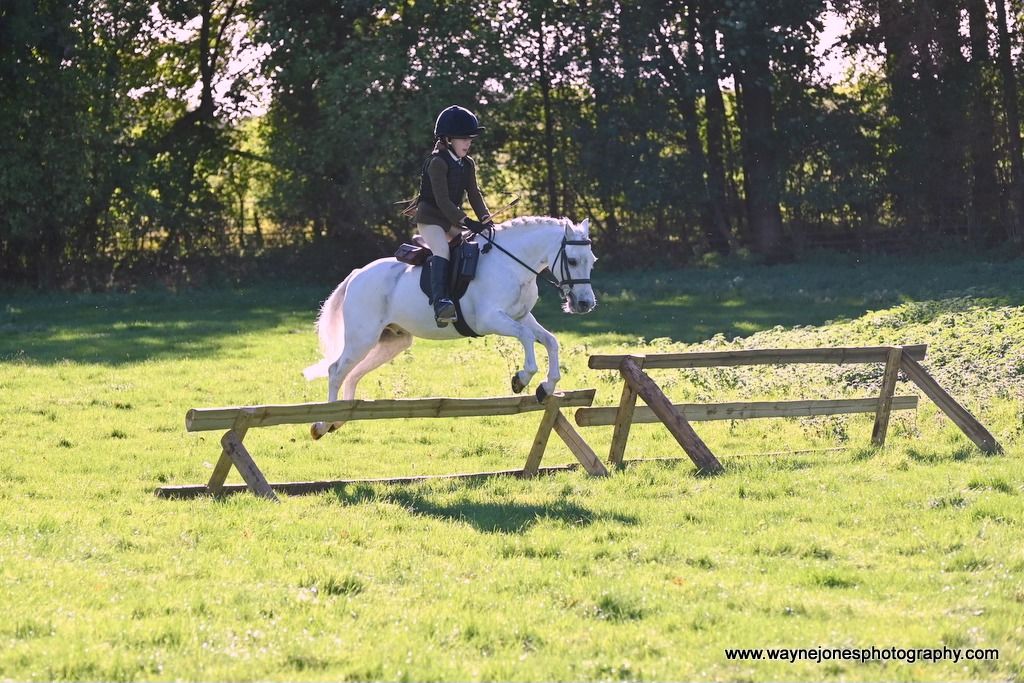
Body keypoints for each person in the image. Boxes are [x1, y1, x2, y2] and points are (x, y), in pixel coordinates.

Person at [412, 105, 494, 327]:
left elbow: (474, 194)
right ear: (448, 139)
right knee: (443, 250)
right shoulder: (437, 162)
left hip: (450, 219)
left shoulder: (467, 164)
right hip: (430, 219)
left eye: (470, 139)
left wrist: (486, 220)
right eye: (463, 139)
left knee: (473, 246)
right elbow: (442, 202)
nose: (468, 143)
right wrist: (467, 222)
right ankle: (441, 303)